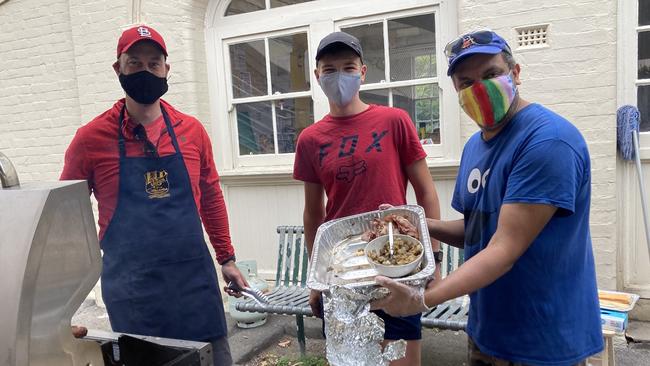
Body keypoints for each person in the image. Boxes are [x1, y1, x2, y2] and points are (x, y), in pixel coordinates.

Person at [371, 30, 604, 365]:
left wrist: (423, 298)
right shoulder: (475, 147)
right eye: (466, 82)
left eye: (491, 74)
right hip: (488, 331)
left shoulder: (548, 141)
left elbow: (504, 248)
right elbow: (478, 230)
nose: (479, 88)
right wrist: (419, 225)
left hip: (543, 342)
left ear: (516, 73)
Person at [61, 25, 247, 366]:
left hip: (193, 282)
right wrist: (62, 300)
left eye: (153, 63)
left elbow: (210, 196)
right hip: (133, 290)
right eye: (135, 63)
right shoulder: (90, 139)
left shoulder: (192, 131)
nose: (145, 71)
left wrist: (227, 258)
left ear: (166, 69)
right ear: (118, 69)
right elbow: (65, 217)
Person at [293, 31, 442, 366]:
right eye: (329, 69)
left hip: (398, 266)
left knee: (403, 360)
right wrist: (316, 281)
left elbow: (426, 193)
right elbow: (313, 214)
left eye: (348, 67)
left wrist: (434, 260)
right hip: (343, 273)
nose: (339, 76)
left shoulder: (394, 121)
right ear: (317, 76)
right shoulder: (310, 139)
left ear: (363, 72)